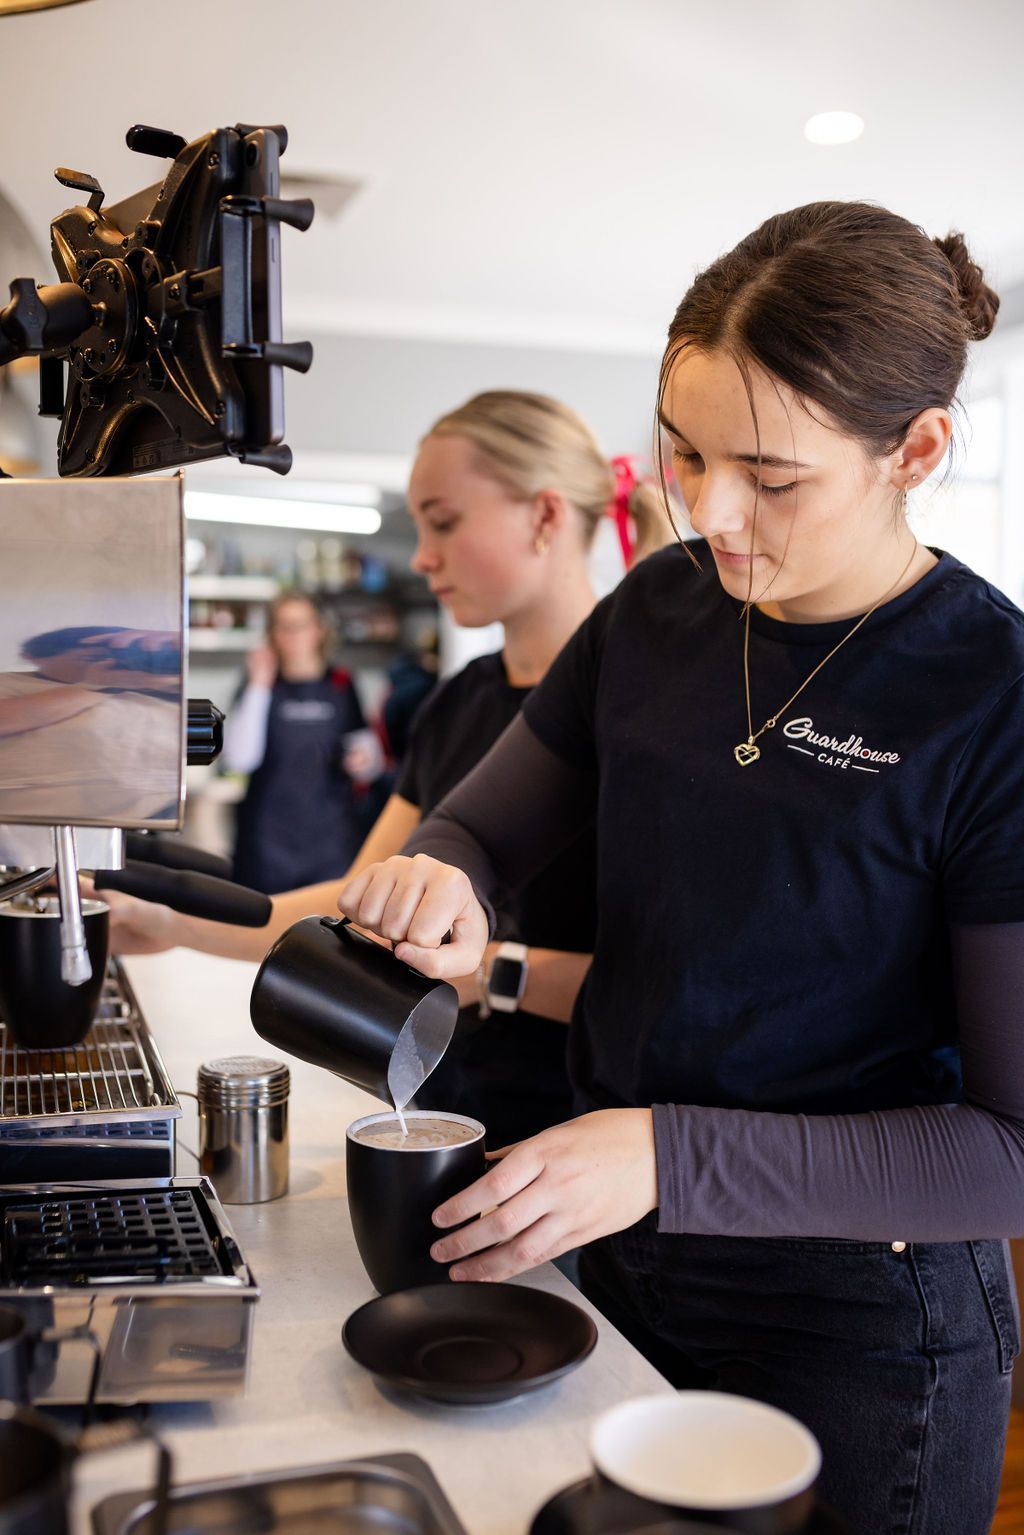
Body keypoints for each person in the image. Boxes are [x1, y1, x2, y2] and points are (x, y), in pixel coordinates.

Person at [336, 204, 1022, 1535]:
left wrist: (668, 1153)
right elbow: (477, 829)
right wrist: (439, 876)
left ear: (918, 449)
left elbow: (1007, 1150)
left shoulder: (991, 697)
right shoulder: (655, 612)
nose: (710, 513)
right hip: (622, 1261)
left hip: (858, 1325)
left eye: (772, 476)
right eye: (685, 452)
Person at [105, 391, 670, 1144]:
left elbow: (675, 988)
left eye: (444, 521)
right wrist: (172, 922)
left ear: (544, 516)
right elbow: (354, 907)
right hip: (447, 1109)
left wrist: (492, 969)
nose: (422, 555)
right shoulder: (455, 706)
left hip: (582, 1142)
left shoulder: (649, 712)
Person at [222, 591, 378, 894]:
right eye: (284, 627)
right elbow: (239, 760)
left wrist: (364, 759)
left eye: (301, 625)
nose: (293, 636)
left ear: (318, 630)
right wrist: (259, 685)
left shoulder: (342, 683)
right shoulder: (260, 684)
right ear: (272, 634)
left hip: (330, 842)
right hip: (266, 842)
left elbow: (370, 759)